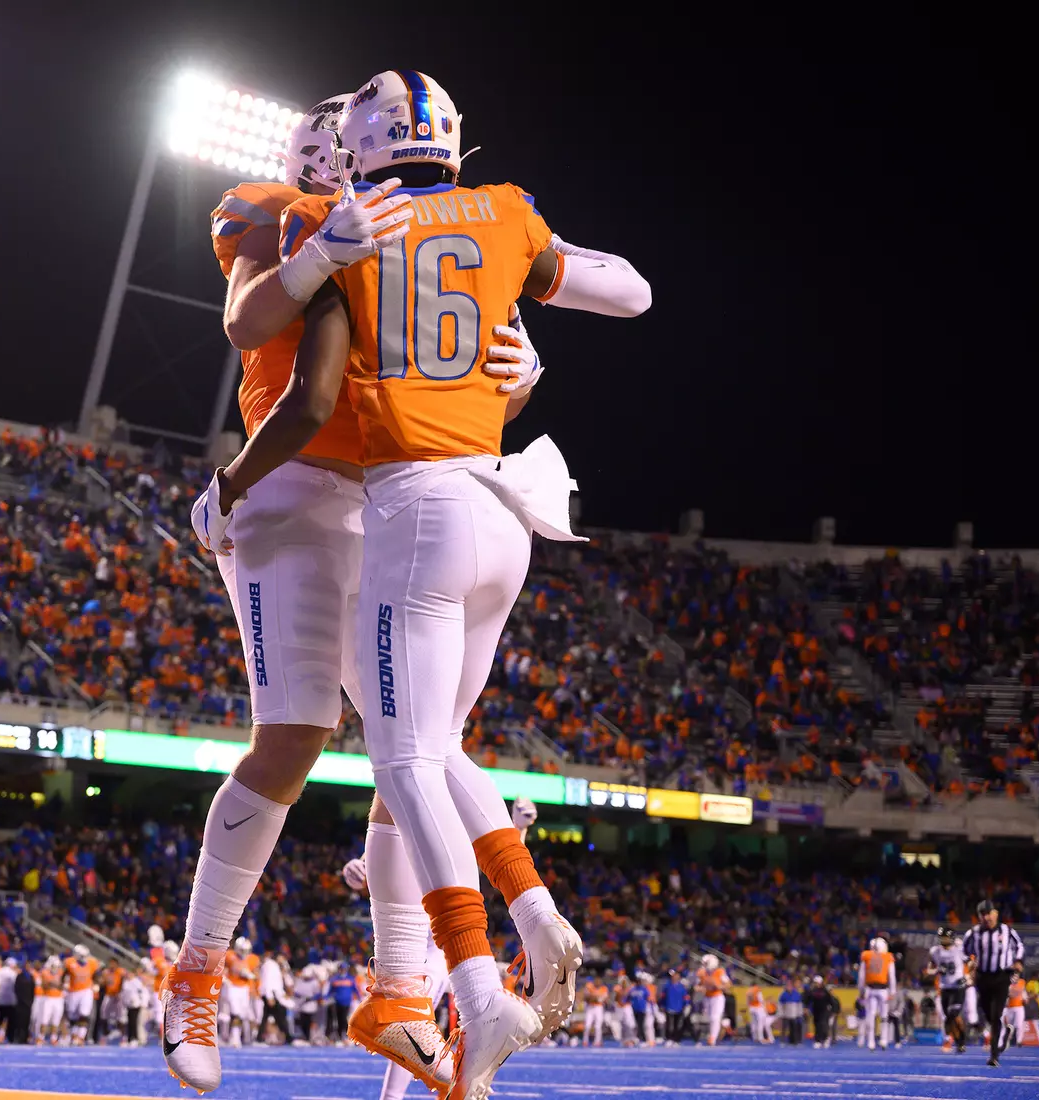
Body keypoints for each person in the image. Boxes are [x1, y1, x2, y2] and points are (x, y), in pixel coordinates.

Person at [216, 68, 650, 1099]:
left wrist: (229, 484)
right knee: (436, 747)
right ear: (455, 141)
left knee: (402, 754)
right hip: (511, 507)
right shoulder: (504, 213)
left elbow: (280, 359)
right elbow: (631, 289)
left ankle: (483, 974)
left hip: (416, 509)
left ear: (360, 149)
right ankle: (508, 938)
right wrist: (521, 344)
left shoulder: (347, 227)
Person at [164, 96, 454, 1098]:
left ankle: (403, 993)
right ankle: (195, 971)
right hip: (287, 485)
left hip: (387, 495)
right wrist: (317, 252)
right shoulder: (275, 210)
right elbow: (248, 319)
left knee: (413, 745)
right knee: (294, 731)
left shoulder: (414, 236)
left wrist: (519, 375)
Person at [962, 899, 1026, 1066]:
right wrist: (968, 960)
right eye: (983, 915)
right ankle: (1004, 1033)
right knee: (987, 1014)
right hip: (982, 977)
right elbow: (963, 950)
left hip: (1001, 976)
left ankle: (994, 1055)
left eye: (989, 913)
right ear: (979, 917)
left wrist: (1018, 961)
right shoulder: (974, 933)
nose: (986, 918)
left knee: (996, 1014)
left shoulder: (1006, 930)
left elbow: (1019, 945)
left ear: (995, 913)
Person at [927, 925, 970, 1052]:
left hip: (958, 987)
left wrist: (967, 977)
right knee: (948, 1018)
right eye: (942, 938)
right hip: (944, 987)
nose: (943, 940)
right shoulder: (935, 951)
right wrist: (936, 970)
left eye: (946, 938)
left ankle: (962, 1039)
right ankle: (958, 1042)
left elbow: (972, 963)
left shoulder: (959, 950)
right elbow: (929, 969)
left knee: (954, 1014)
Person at [857, 937, 895, 1051]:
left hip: (870, 989)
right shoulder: (888, 957)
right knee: (884, 1016)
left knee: (871, 1015)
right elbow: (891, 975)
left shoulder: (866, 956)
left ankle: (871, 1042)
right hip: (883, 990)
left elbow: (861, 976)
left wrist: (861, 991)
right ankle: (883, 1040)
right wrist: (892, 991)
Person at [62, 944, 99, 1045]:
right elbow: (64, 974)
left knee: (84, 1013)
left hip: (86, 991)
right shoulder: (69, 962)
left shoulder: (92, 962)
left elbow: (96, 975)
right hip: (73, 991)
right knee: (73, 1015)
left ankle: (81, 1037)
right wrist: (64, 983)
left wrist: (96, 984)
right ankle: (74, 1035)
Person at [697, 955, 731, 1046]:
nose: (703, 965)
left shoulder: (720, 971)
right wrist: (700, 988)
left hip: (717, 997)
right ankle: (723, 1023)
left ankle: (712, 1038)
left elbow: (728, 984)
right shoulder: (702, 972)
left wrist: (720, 987)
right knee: (709, 1018)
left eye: (705, 963)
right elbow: (697, 985)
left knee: (714, 1018)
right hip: (707, 997)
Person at [806, 975, 838, 1048]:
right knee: (816, 1026)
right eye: (815, 982)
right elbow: (807, 1000)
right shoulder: (812, 991)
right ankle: (817, 1041)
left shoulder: (825, 991)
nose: (816, 984)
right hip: (815, 1011)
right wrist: (806, 1007)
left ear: (820, 983)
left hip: (824, 1011)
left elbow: (831, 1001)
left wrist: (834, 1010)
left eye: (817, 982)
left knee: (823, 1025)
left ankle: (825, 1039)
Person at [661, 970, 689, 1045]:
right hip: (669, 1008)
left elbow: (685, 997)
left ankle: (677, 1040)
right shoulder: (667, 986)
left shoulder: (682, 987)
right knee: (669, 1025)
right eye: (673, 976)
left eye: (676, 975)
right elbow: (663, 997)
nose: (674, 977)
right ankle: (669, 1039)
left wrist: (686, 1005)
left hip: (679, 1008)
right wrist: (662, 1006)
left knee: (678, 1025)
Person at [778, 979, 805, 1045]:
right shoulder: (783, 994)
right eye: (787, 986)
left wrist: (799, 1013)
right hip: (786, 1014)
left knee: (794, 1028)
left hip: (794, 1014)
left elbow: (799, 1005)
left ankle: (794, 1041)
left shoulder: (797, 994)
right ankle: (782, 1041)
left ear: (792, 987)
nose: (789, 987)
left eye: (790, 986)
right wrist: (781, 1013)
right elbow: (780, 1005)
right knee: (784, 1028)